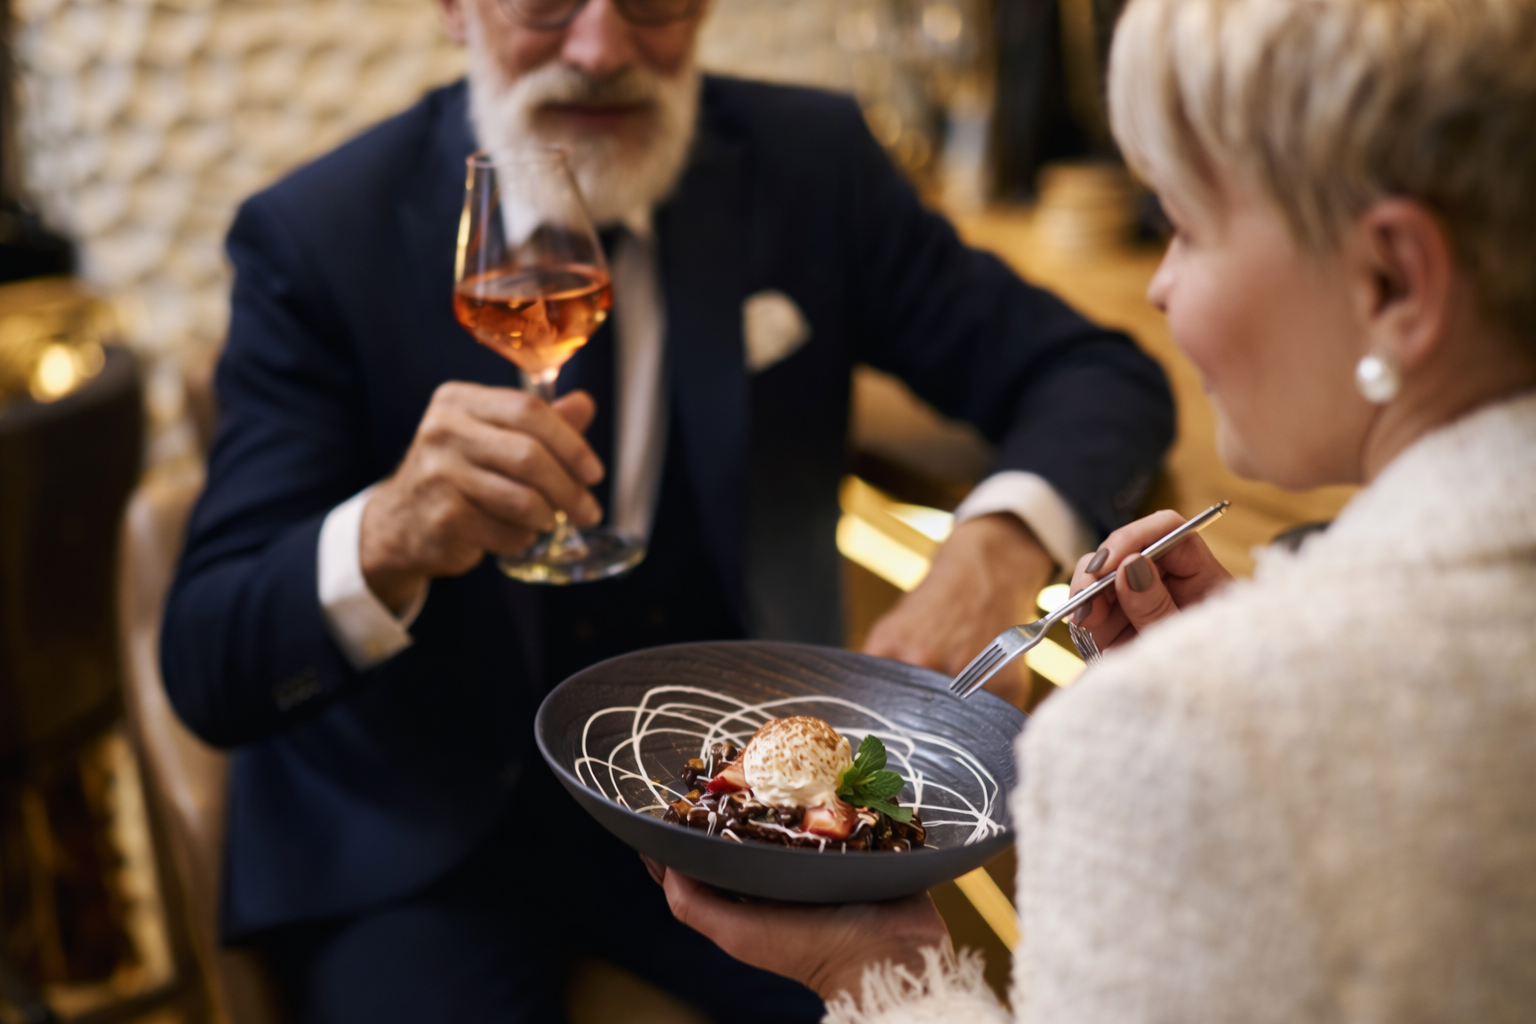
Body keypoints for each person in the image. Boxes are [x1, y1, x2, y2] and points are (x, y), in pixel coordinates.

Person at [159, 0, 1175, 1019]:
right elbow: (211, 655)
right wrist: (386, 533)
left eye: (651, 3)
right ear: (455, 10)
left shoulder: (810, 166)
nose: (601, 51)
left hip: (722, 795)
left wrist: (994, 550)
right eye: (548, 4)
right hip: (422, 836)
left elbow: (1097, 375)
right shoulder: (317, 234)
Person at [656, 0, 1536, 1020]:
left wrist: (872, 967)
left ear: (1395, 279)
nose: (1156, 286)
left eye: (1185, 226)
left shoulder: (1159, 731)